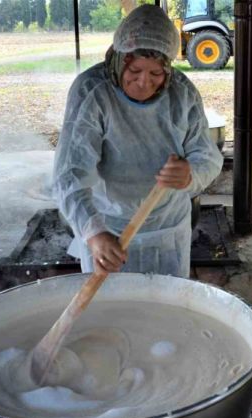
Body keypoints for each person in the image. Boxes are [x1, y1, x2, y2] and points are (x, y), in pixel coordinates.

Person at [54, 5, 223, 278]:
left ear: (167, 69)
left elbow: (208, 157)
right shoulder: (92, 92)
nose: (144, 82)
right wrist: (94, 232)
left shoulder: (182, 93)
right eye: (134, 71)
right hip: (108, 224)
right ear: (119, 60)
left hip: (168, 225)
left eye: (156, 74)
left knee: (165, 306)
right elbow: (69, 173)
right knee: (109, 310)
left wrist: (190, 174)